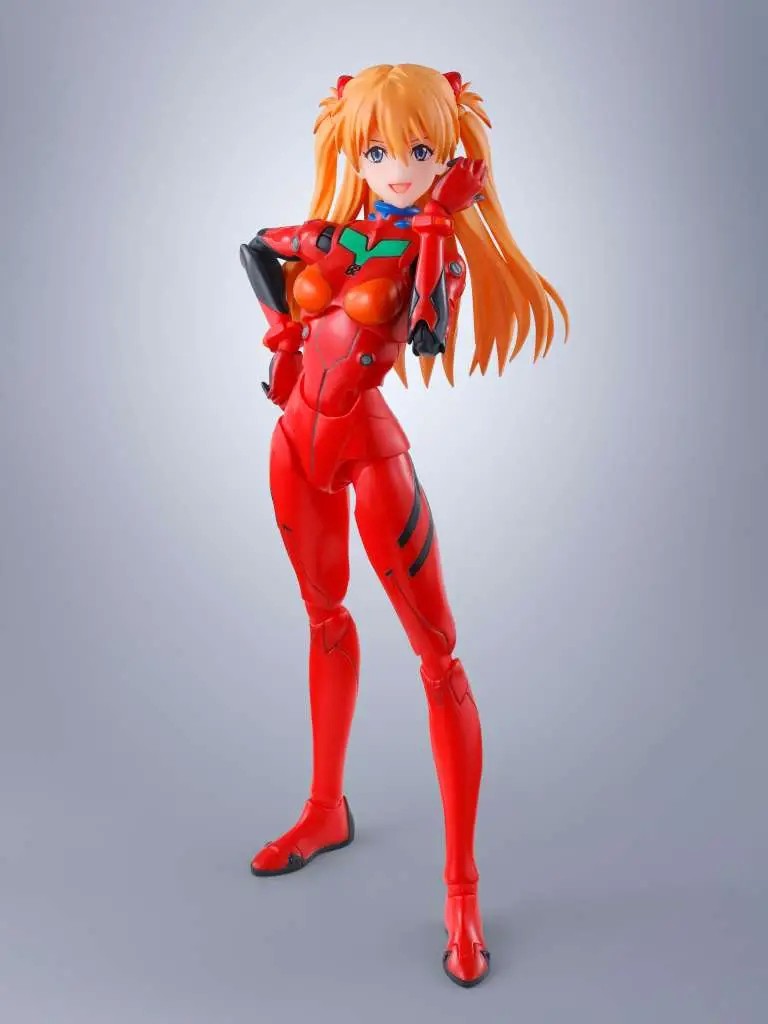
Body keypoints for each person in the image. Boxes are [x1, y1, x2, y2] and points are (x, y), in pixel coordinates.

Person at [239, 62, 568, 987]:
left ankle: (461, 891)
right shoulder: (334, 233)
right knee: (324, 619)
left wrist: (435, 223)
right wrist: (280, 327)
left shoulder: (438, 251)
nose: (393, 168)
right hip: (293, 442)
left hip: (370, 453)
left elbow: (425, 330)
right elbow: (257, 247)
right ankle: (325, 809)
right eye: (377, 150)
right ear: (352, 148)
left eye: (417, 151)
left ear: (448, 157)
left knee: (438, 659)